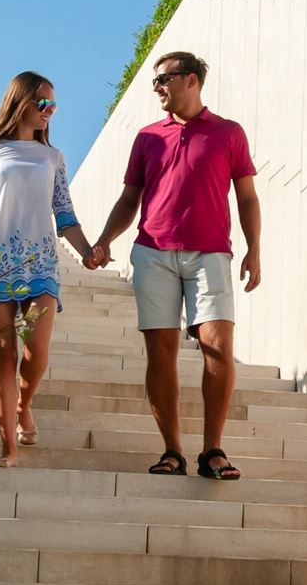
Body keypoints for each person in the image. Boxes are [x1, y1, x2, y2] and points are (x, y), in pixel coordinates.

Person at [87, 49, 261, 480]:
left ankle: (213, 451)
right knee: (160, 352)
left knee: (217, 347)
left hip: (211, 254)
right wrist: (105, 239)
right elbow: (130, 199)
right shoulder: (147, 137)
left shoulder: (229, 133)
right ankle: (172, 452)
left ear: (191, 80)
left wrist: (254, 248)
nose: (157, 87)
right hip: (153, 254)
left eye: (163, 79)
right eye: (154, 80)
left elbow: (247, 197)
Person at [0, 72, 96, 467]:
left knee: (37, 350)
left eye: (53, 104)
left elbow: (64, 214)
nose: (50, 111)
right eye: (43, 102)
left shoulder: (53, 157)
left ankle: (24, 405)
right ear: (20, 103)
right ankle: (8, 448)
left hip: (41, 263)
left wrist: (88, 252)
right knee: (3, 355)